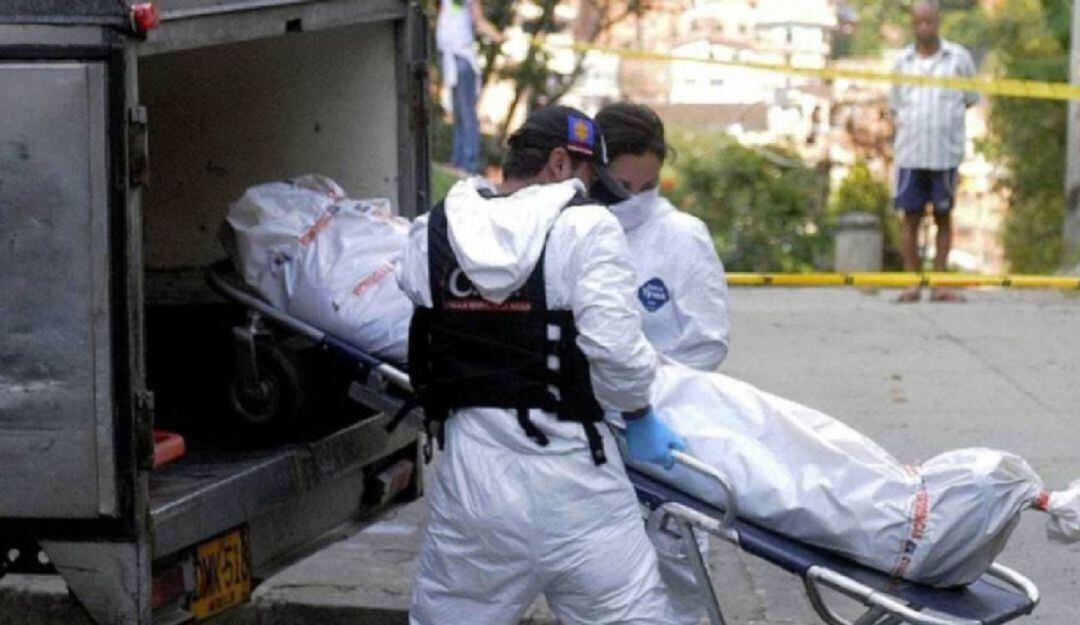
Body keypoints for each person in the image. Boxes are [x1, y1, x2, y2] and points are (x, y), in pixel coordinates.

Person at [399, 105, 687, 625]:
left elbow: (423, 329)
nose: (592, 194)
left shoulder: (432, 232)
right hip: (576, 487)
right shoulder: (586, 230)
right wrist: (640, 414)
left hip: (474, 489)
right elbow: (616, 351)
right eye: (589, 178)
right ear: (559, 163)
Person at [597, 101, 730, 625]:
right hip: (592, 430)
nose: (632, 200)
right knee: (607, 580)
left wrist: (638, 386)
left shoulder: (680, 238)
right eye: (620, 187)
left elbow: (709, 342)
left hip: (664, 424)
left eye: (645, 187)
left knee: (675, 573)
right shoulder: (574, 228)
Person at [890, 0, 978, 303]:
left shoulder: (959, 59)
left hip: (945, 153)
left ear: (938, 22)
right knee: (910, 218)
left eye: (929, 21)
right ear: (912, 25)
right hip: (911, 154)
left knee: (943, 216)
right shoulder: (902, 62)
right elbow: (895, 105)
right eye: (919, 22)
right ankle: (913, 282)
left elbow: (969, 98)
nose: (924, 27)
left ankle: (940, 283)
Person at [435, 0, 504, 175]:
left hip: (462, 57)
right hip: (451, 57)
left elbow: (479, 21)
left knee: (466, 114)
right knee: (459, 114)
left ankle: (468, 164)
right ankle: (458, 161)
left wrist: (497, 36)